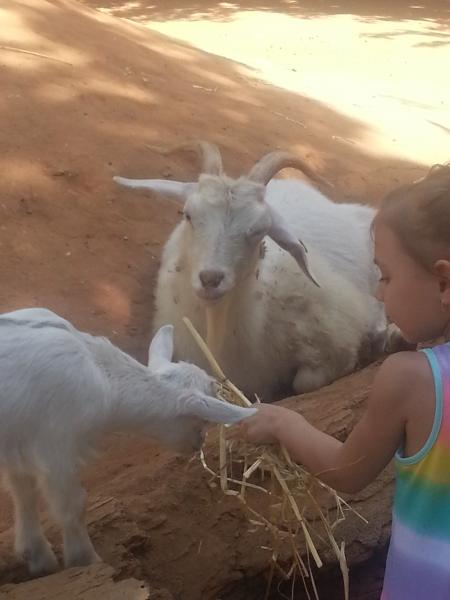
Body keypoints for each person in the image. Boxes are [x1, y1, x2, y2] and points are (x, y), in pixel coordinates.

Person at [238, 165, 450, 599]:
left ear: (444, 282)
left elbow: (347, 471)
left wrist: (284, 424)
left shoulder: (412, 380)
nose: (378, 294)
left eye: (386, 276)